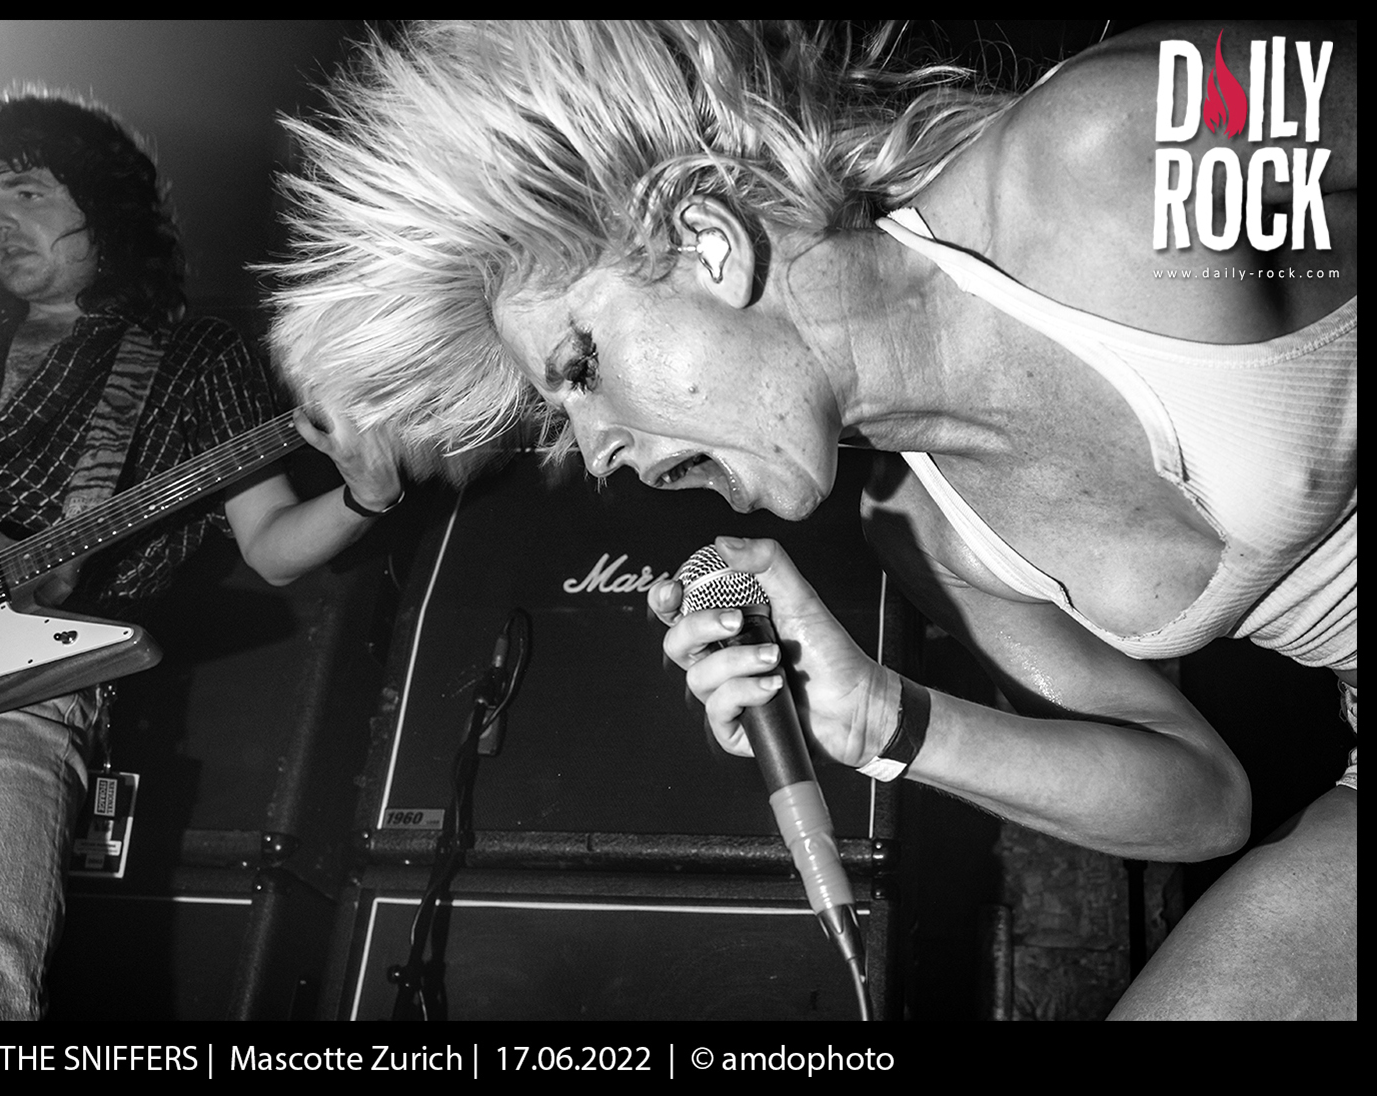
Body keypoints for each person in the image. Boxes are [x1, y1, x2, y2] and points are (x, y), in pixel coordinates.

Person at [266, 21, 1355, 1019]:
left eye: (580, 368)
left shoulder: (1104, 144)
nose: (594, 454)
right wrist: (880, 720)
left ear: (707, 242)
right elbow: (1201, 801)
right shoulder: (924, 528)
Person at [0, 88, 405, 1020]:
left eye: (27, 191)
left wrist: (365, 495)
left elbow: (272, 548)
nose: (0, 222)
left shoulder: (190, 356)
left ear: (102, 204)